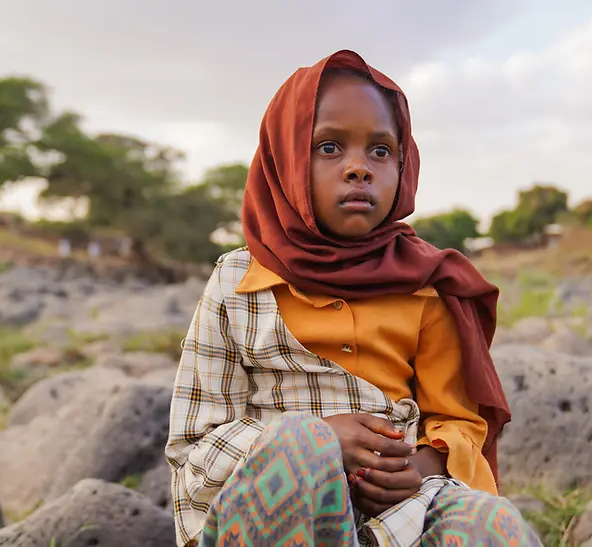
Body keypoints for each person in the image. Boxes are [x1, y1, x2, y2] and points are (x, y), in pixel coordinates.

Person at [165, 50, 540, 547]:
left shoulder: (426, 284)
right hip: (270, 512)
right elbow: (195, 440)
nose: (359, 168)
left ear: (404, 165)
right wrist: (320, 441)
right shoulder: (236, 281)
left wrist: (421, 466)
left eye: (381, 150)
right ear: (285, 159)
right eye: (329, 147)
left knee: (492, 523)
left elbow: (457, 422)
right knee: (301, 446)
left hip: (397, 513)